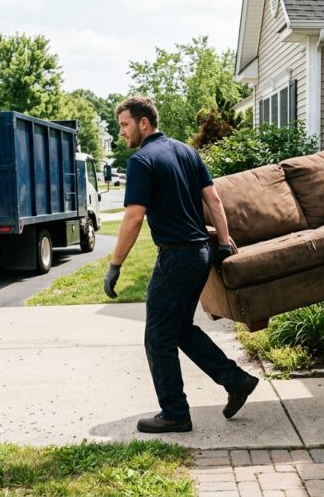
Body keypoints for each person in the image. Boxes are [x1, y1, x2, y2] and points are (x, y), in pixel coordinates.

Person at [103, 96, 259, 433]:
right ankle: (236, 380)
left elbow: (133, 216)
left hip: (176, 257)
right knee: (179, 329)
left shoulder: (142, 161)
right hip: (200, 253)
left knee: (158, 337)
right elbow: (214, 199)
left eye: (125, 125)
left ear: (144, 123)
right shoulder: (187, 152)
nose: (122, 133)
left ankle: (175, 412)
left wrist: (115, 264)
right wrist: (222, 242)